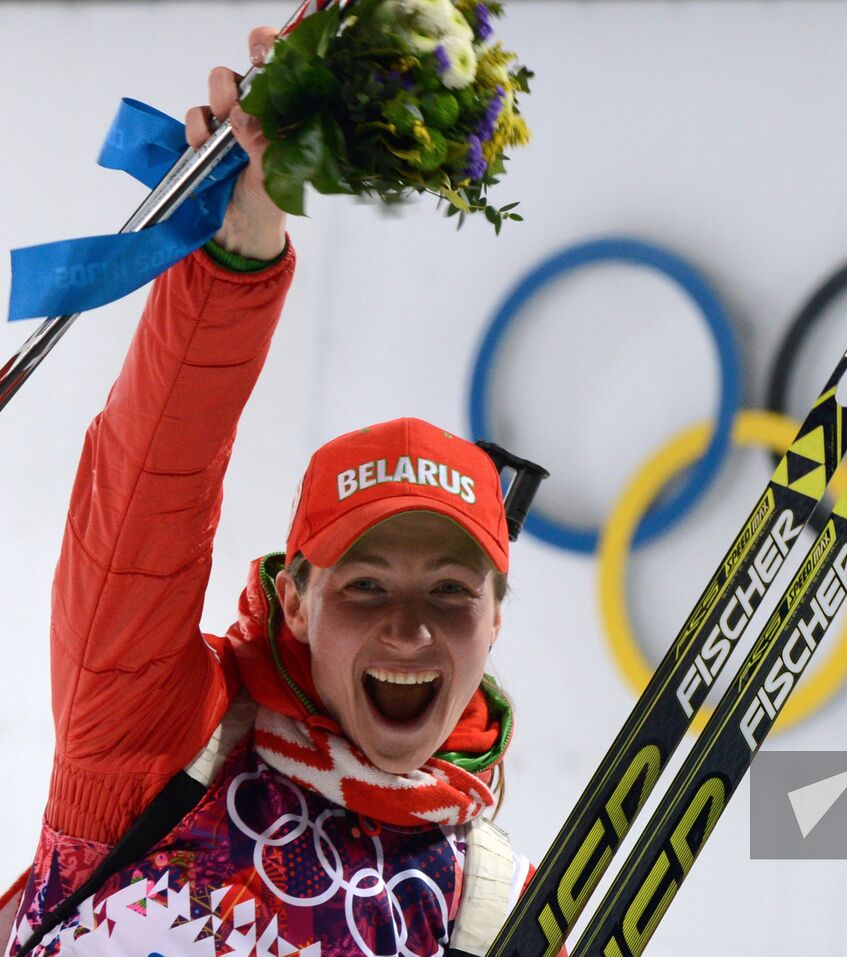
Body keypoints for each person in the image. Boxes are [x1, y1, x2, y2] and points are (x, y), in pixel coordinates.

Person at [1, 27, 553, 957]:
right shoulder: (161, 737)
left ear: (497, 615)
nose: (409, 629)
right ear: (295, 598)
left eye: (452, 591)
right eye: (367, 582)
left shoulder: (492, 907)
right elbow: (151, 488)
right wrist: (239, 249)